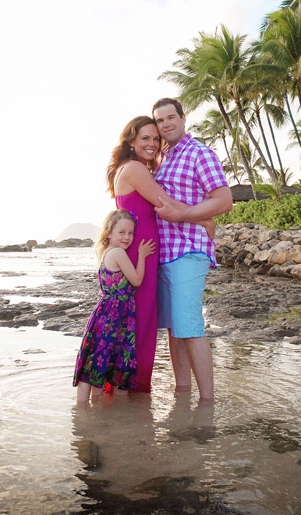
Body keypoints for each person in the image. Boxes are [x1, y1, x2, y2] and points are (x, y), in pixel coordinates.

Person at [107, 116, 216, 393]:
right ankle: (132, 389)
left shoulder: (136, 168)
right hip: (139, 256)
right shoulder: (134, 169)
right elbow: (163, 201)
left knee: (140, 322)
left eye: (156, 139)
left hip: (146, 254)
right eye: (145, 138)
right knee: (140, 323)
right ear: (131, 141)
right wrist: (203, 217)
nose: (153, 144)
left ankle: (128, 394)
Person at [151, 97, 233, 402]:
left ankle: (207, 403)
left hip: (188, 251)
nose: (166, 124)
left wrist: (185, 215)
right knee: (175, 329)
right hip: (164, 253)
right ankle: (182, 393)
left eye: (171, 117)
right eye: (160, 120)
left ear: (184, 119)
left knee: (189, 326)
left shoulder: (200, 154)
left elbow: (224, 201)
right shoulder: (162, 158)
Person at [73, 210, 155, 402]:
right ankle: (87, 411)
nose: (127, 237)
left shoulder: (107, 253)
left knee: (98, 359)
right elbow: (136, 280)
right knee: (109, 360)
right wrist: (142, 255)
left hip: (107, 314)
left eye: (130, 233)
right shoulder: (118, 253)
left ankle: (90, 410)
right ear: (109, 232)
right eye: (122, 232)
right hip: (114, 316)